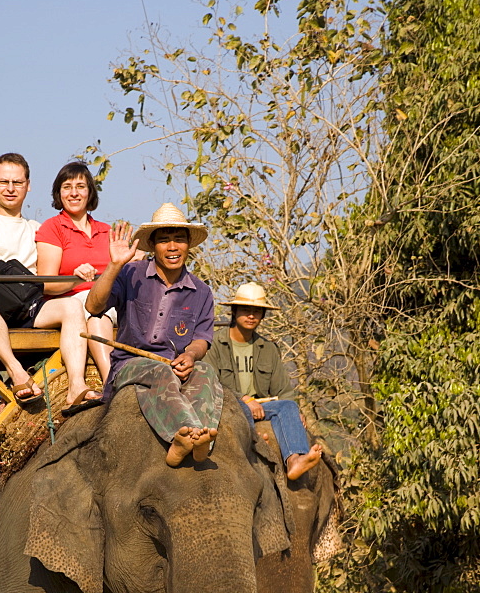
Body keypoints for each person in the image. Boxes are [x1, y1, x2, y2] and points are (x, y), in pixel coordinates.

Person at [0, 152, 100, 409]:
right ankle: (16, 372)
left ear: (28, 185)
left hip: (30, 305)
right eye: (4, 182)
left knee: (71, 306)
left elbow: (53, 273)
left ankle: (76, 385)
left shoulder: (38, 228)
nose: (10, 189)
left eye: (17, 182)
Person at [86, 203, 221, 467]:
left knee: (206, 372)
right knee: (162, 372)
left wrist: (191, 355)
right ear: (153, 245)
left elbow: (202, 338)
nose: (172, 247)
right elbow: (93, 307)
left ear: (188, 245)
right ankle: (185, 433)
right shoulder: (130, 274)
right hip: (131, 365)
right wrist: (113, 265)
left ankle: (201, 441)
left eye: (179, 239)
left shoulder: (202, 291)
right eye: (164, 240)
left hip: (176, 364)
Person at [206, 282, 322, 480]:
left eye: (257, 311)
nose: (251, 315)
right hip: (229, 404)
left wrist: (295, 413)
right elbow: (210, 382)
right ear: (234, 311)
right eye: (245, 310)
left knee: (287, 407)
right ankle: (255, 446)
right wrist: (244, 399)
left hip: (261, 406)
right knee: (240, 410)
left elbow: (284, 389)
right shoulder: (214, 344)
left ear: (263, 315)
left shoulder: (268, 348)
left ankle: (295, 460)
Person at [35, 161, 115, 382]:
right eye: (67, 187)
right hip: (71, 302)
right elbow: (47, 284)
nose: (74, 193)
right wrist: (74, 279)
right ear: (58, 193)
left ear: (90, 192)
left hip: (110, 300)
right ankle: (109, 380)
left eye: (80, 186)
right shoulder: (52, 228)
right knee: (96, 311)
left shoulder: (107, 231)